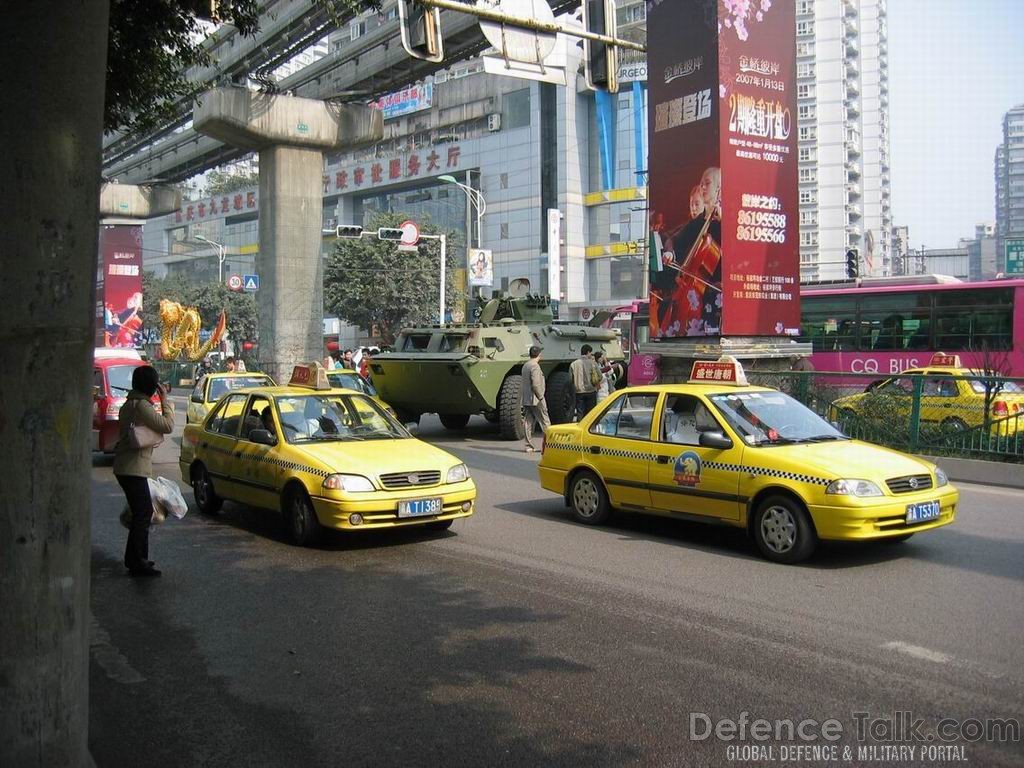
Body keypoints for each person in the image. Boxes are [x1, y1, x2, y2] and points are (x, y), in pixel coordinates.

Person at [112, 366, 174, 577]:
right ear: (151, 385)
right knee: (143, 513)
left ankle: (140, 559)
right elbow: (167, 426)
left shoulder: (131, 403)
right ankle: (135, 561)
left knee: (142, 512)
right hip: (133, 467)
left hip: (127, 466)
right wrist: (165, 399)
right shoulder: (141, 406)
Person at [520, 345, 550, 453]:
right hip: (536, 399)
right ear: (539, 354)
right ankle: (549, 445)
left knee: (528, 421)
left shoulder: (526, 365)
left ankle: (528, 445)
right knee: (545, 421)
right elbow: (536, 384)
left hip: (527, 398)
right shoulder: (535, 366)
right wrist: (541, 396)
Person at [569, 344, 600, 421]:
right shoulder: (593, 363)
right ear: (588, 352)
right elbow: (600, 376)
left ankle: (580, 426)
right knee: (591, 412)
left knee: (580, 411)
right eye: (590, 353)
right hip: (591, 391)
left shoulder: (573, 364)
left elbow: (570, 379)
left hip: (579, 392)